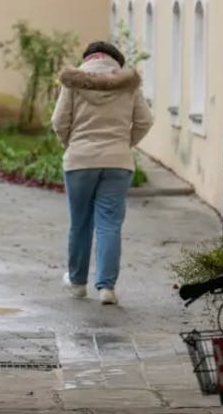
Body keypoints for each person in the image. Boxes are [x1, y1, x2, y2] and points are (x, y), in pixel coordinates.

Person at [51, 40, 153, 305]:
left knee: (80, 223)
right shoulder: (128, 85)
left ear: (87, 59)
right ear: (115, 61)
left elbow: (58, 121)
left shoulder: (73, 82)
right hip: (118, 162)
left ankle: (77, 283)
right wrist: (124, 143)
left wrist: (71, 144)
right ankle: (107, 287)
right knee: (109, 224)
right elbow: (145, 120)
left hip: (79, 161)